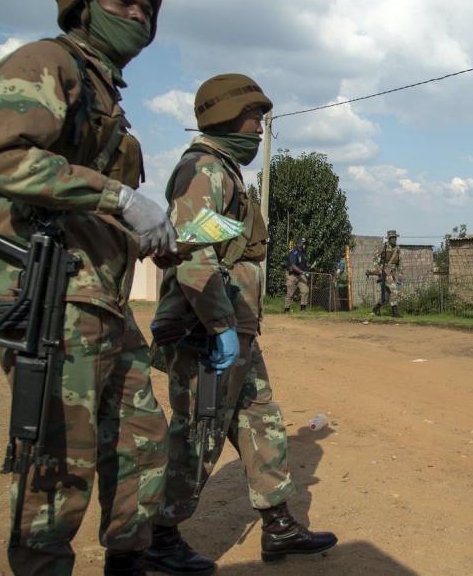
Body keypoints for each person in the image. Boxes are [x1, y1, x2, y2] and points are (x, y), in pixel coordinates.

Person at [0, 0, 175, 575]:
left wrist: (147, 234)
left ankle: (129, 560)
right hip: (52, 296)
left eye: (147, 10)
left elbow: (87, 205)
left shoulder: (105, 91)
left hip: (102, 298)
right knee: (60, 459)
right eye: (122, 3)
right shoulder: (46, 62)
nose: (137, 16)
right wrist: (120, 198)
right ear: (82, 7)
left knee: (141, 440)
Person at [148, 74, 337, 574]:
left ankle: (278, 526)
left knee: (260, 419)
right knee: (200, 430)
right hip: (207, 332)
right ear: (226, 117)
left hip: (235, 328)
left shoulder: (225, 171)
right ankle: (157, 537)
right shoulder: (204, 169)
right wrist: (218, 326)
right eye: (255, 119)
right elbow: (190, 253)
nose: (259, 130)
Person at [372, 229, 402, 317]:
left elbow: (400, 262)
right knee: (394, 290)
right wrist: (380, 270)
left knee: (385, 297)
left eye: (395, 238)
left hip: (393, 274)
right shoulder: (383, 247)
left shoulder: (397, 249)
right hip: (385, 273)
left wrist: (400, 275)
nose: (394, 239)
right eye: (392, 238)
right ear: (388, 239)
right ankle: (394, 312)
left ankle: (376, 308)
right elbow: (374, 259)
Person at [284, 237, 310, 312]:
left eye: (305, 243)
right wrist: (303, 272)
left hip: (300, 275)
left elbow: (305, 263)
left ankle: (303, 309)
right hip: (292, 275)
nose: (304, 245)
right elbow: (293, 266)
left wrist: (308, 265)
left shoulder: (304, 253)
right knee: (290, 293)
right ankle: (287, 309)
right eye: (303, 243)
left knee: (305, 290)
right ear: (299, 243)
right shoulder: (294, 252)